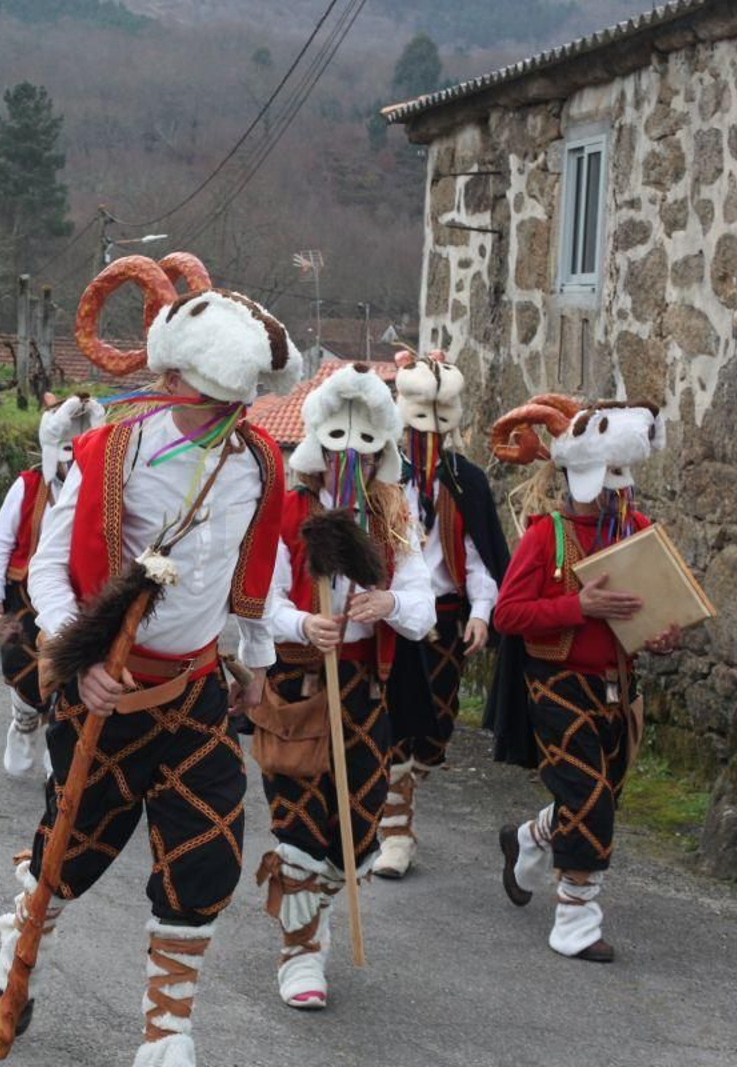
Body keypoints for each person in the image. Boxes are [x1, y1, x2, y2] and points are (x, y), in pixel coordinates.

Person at [0, 253, 298, 1067]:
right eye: (220, 394)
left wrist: (254, 659)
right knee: (70, 856)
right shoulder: (109, 453)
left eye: (242, 399)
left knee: (207, 855)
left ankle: (168, 1030)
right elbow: (48, 571)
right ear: (177, 375)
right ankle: (17, 934)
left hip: (194, 691)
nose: (232, 409)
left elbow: (250, 574)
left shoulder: (261, 465)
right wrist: (75, 654)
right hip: (105, 693)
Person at [254, 363, 435, 1010]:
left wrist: (386, 602)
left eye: (361, 443)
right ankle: (300, 953)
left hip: (364, 692)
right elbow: (257, 602)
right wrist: (304, 621)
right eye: (335, 442)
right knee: (299, 828)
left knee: (355, 835)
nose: (346, 456)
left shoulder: (394, 515)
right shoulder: (285, 509)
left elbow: (422, 608)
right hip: (298, 688)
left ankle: (315, 913)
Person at [488, 395, 680, 963]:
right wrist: (580, 606)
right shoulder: (545, 536)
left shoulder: (639, 530)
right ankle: (575, 917)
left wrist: (663, 634)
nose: (617, 490)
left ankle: (528, 838)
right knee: (589, 800)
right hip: (557, 686)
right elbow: (508, 616)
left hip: (620, 687)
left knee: (597, 798)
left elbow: (656, 613)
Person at [372, 350, 510, 879]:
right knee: (395, 725)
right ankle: (396, 834)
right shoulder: (383, 476)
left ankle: (398, 800)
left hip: (446, 622)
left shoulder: (465, 480)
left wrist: (482, 612)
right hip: (394, 617)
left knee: (434, 734)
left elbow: (478, 552)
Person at [0, 392, 105, 778]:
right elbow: (0, 540)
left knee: (66, 674)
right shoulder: (27, 485)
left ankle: (58, 741)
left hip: (74, 599)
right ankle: (22, 720)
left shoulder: (101, 490)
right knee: (16, 665)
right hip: (20, 597)